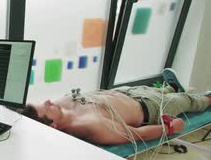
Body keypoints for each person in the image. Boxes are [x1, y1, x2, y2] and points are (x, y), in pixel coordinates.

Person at [19, 68, 211, 146]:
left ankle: (171, 88)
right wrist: (168, 128)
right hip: (149, 107)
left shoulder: (57, 109)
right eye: (46, 108)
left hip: (126, 92)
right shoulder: (90, 126)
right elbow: (137, 135)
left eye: (43, 101)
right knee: (190, 101)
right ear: (53, 127)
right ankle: (206, 98)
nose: (48, 102)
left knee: (163, 91)